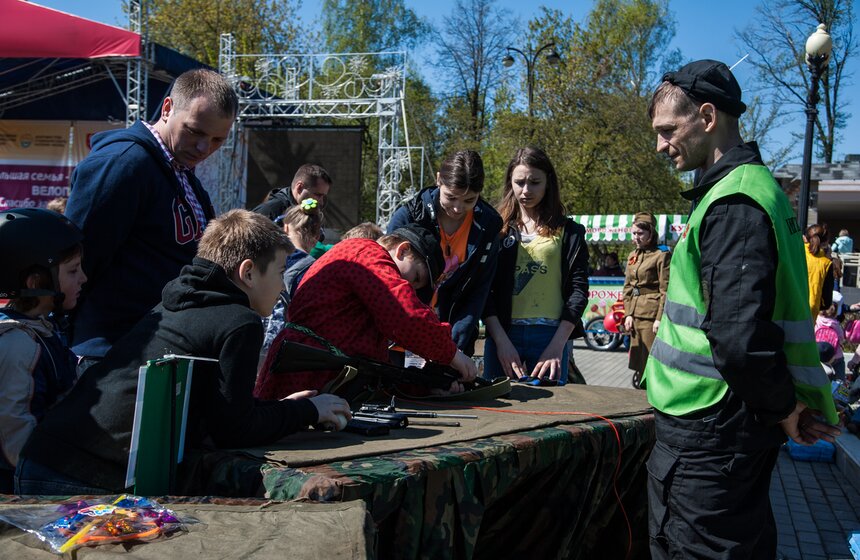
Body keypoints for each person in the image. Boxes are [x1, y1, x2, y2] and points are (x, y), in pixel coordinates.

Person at [642, 59, 840, 559]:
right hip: (728, 426)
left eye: (668, 131)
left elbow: (738, 340)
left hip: (708, 429)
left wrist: (784, 409)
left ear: (707, 117)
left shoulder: (733, 204)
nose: (661, 146)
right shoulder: (752, 192)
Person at [16, 210, 351, 495]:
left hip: (45, 458)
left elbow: (223, 411)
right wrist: (308, 411)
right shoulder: (239, 321)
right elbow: (235, 431)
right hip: (83, 476)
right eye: (279, 273)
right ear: (248, 272)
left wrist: (283, 409)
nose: (282, 286)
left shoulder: (177, 303)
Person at [65, 68, 237, 363]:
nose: (203, 147)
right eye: (195, 131)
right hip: (106, 352)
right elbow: (79, 259)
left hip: (150, 348)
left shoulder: (180, 171)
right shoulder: (124, 163)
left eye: (217, 140)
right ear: (168, 108)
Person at [254, 224, 478, 401]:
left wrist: (426, 387)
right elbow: (406, 315)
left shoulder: (361, 257)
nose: (410, 285)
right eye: (416, 277)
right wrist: (452, 354)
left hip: (313, 369)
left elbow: (375, 363)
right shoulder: (367, 252)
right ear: (403, 249)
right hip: (305, 371)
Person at [482, 147, 589, 384]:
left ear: (548, 183)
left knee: (548, 414)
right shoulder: (494, 229)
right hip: (503, 336)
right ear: (510, 182)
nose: (526, 190)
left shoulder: (570, 232)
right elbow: (482, 288)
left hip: (550, 338)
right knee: (498, 413)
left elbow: (578, 292)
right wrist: (500, 340)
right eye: (519, 182)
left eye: (534, 182)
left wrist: (557, 346)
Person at [0, 209, 86, 493]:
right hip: (21, 497)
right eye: (73, 270)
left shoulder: (41, 329)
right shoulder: (20, 344)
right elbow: (17, 446)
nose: (83, 278)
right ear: (36, 282)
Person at [387, 150, 502, 355]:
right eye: (451, 197)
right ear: (439, 179)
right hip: (401, 339)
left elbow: (478, 291)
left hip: (453, 340)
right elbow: (387, 283)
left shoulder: (489, 225)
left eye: (469, 200)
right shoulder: (408, 217)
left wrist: (453, 348)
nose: (458, 208)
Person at [260, 198, 324, 360]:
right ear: (316, 236)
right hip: (289, 342)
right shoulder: (315, 268)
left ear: (286, 228)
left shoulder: (268, 257)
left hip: (260, 332)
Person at [622, 212, 670, 390]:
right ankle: (642, 394)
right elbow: (628, 287)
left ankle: (655, 395)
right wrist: (628, 314)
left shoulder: (661, 254)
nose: (636, 237)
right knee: (638, 360)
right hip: (635, 315)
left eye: (640, 233)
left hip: (651, 316)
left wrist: (660, 317)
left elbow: (666, 290)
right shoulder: (632, 255)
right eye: (634, 233)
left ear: (651, 233)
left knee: (652, 360)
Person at [253, 163, 333, 221]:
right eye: (317, 195)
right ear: (299, 187)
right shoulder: (269, 212)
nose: (321, 202)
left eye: (323, 196)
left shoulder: (312, 213)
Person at [806, 223, 834, 319]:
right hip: (809, 312)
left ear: (806, 238)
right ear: (826, 242)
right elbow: (826, 302)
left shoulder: (795, 253)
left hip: (785, 306)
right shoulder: (826, 263)